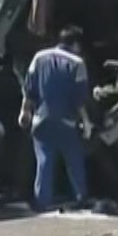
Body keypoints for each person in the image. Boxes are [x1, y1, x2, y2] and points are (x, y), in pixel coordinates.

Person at [20, 26, 92, 212]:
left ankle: (42, 201)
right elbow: (79, 99)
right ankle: (81, 196)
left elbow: (29, 89)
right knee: (74, 160)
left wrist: (24, 112)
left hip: (41, 119)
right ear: (76, 44)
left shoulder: (39, 57)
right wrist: (86, 122)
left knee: (44, 160)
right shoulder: (78, 63)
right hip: (66, 122)